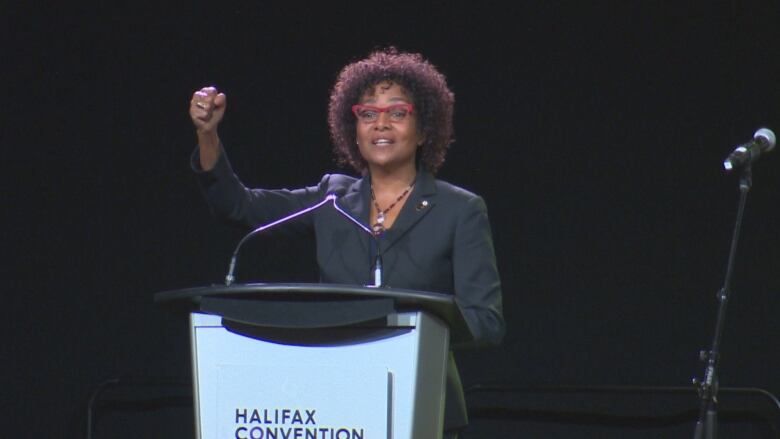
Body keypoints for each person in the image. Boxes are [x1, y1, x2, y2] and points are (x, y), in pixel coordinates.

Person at [189, 47, 504, 437]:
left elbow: (486, 321)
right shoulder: (331, 198)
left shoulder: (460, 209)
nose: (380, 124)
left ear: (423, 129)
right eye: (368, 114)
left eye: (397, 112)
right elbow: (239, 208)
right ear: (353, 129)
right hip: (334, 404)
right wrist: (208, 136)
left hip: (423, 407)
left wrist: (417, 324)